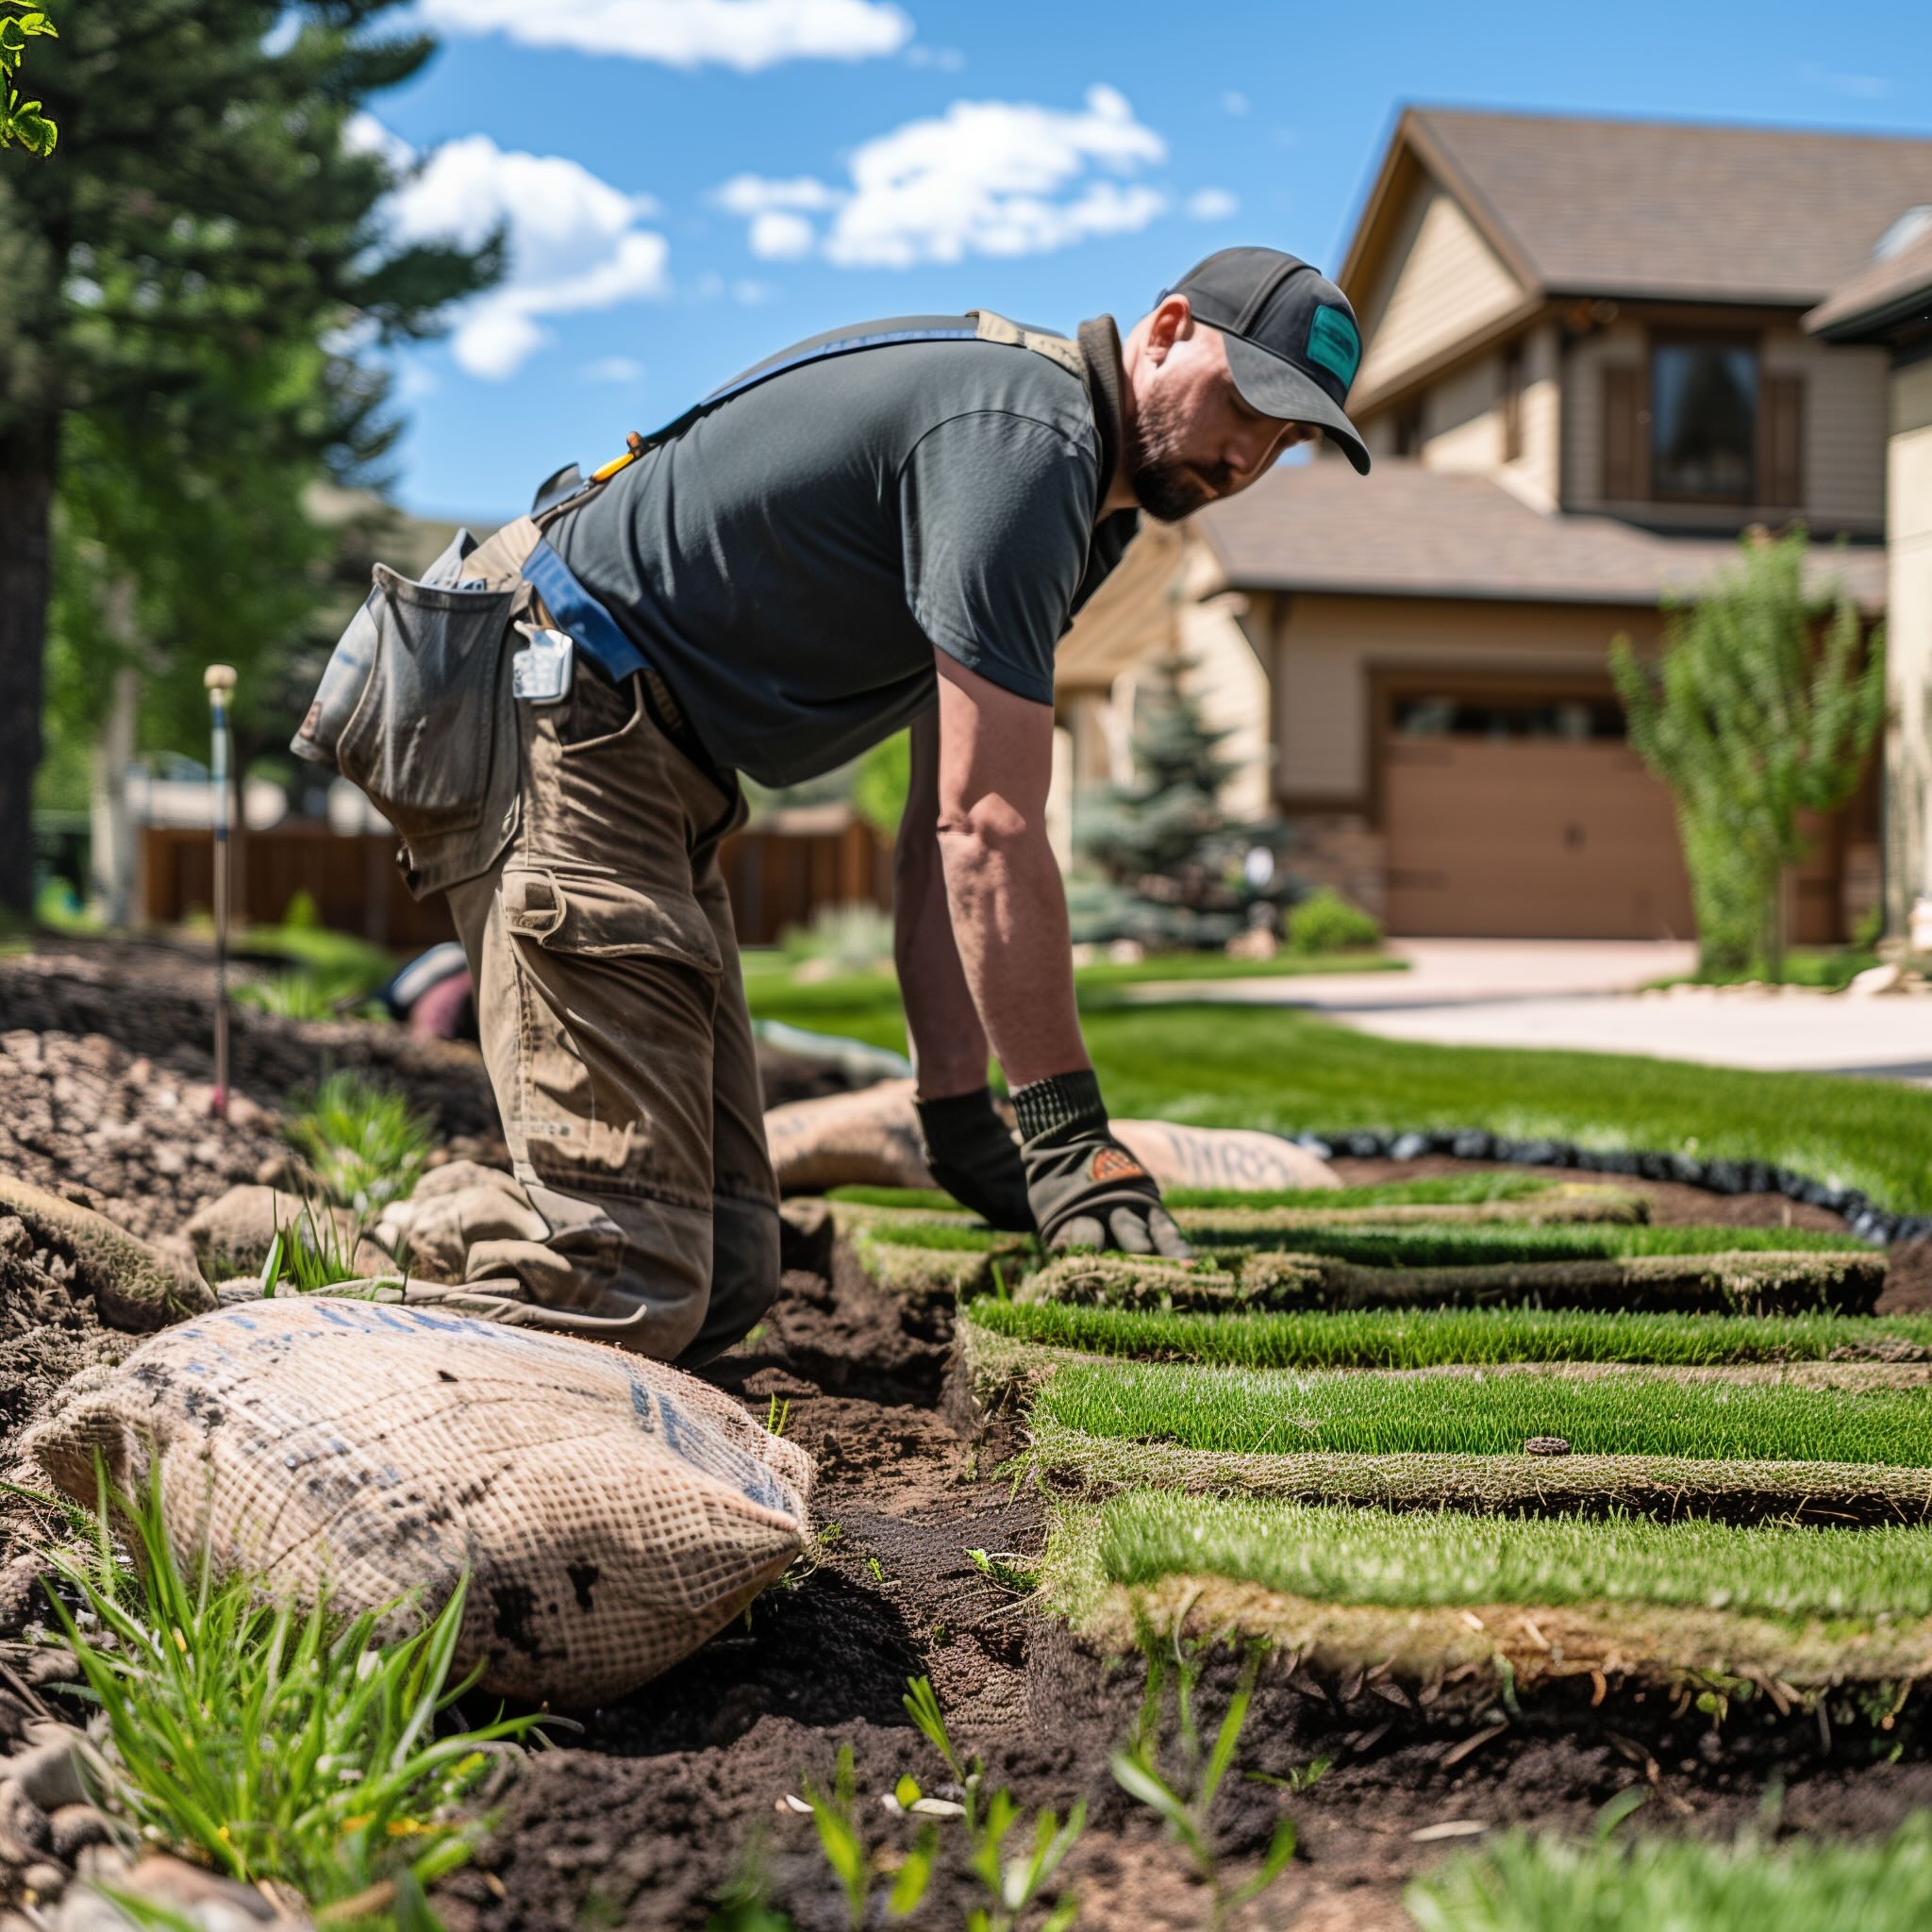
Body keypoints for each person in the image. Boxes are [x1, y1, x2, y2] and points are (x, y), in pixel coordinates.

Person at [340, 246, 1370, 1365]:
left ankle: (427, 1249)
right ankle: (302, 1359)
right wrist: (1066, 1134)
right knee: (630, 1285)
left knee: (731, 1266)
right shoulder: (1029, 441)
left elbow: (939, 831)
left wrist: (957, 1114)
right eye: (1245, 404)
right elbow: (987, 826)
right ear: (1166, 328)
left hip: (643, 755)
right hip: (555, 704)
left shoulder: (1077, 507)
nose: (1250, 453)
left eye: (1288, 437)